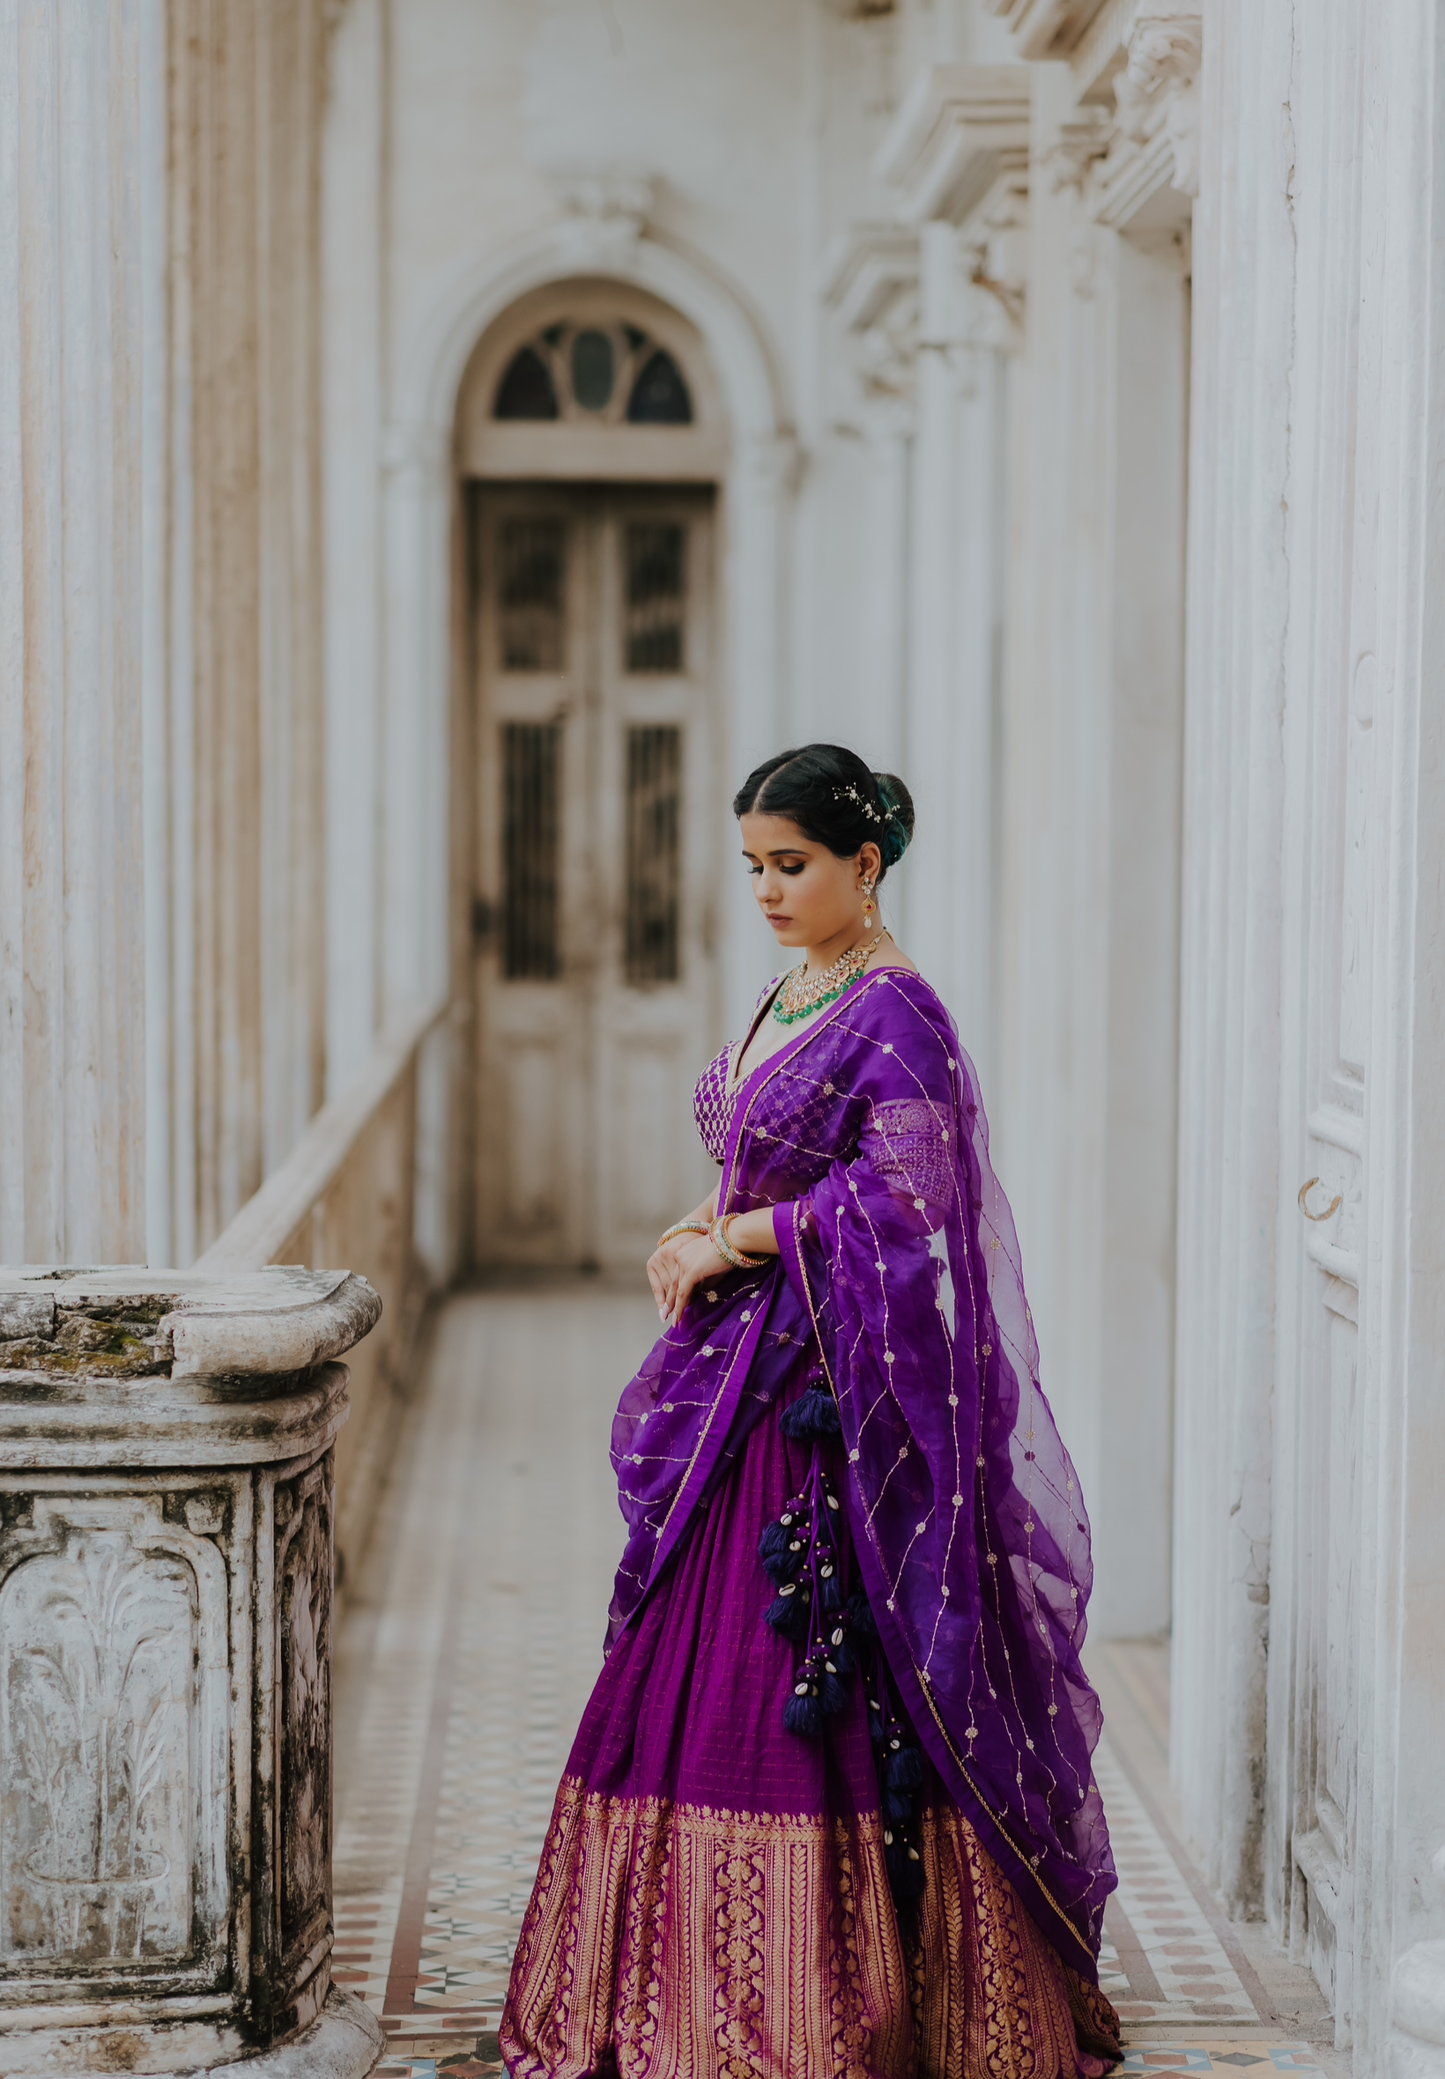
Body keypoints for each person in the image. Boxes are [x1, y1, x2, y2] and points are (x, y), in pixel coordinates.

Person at [500, 744, 1121, 2079]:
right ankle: (675, 1991)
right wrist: (707, 1220)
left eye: (793, 866)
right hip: (740, 1370)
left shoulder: (901, 1011)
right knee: (678, 1662)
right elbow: (767, 1149)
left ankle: (820, 2004)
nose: (770, 891)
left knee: (792, 1684)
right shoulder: (799, 985)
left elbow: (910, 1205)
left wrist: (742, 1238)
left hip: (822, 1402)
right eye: (755, 869)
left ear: (866, 862)